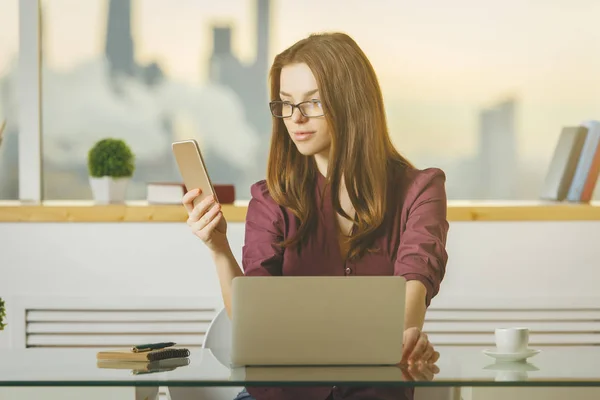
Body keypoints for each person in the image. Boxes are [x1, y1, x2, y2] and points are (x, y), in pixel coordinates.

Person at [182, 32, 449, 400]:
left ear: (351, 102)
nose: (296, 118)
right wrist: (217, 247)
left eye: (313, 102)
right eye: (287, 104)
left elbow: (412, 292)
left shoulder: (420, 190)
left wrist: (406, 339)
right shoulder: (271, 197)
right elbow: (252, 320)